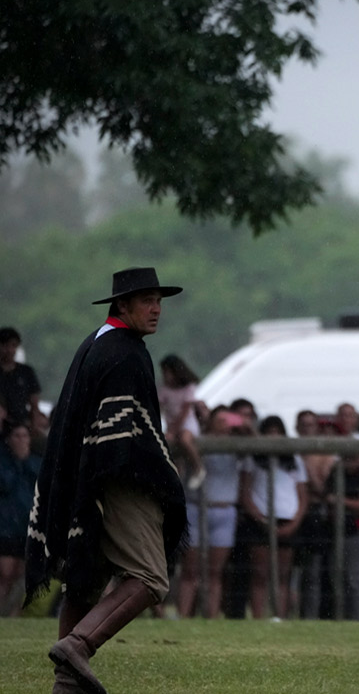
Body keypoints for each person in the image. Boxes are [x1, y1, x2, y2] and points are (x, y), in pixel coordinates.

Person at [23, 267, 187, 694]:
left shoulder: (96, 343)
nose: (155, 309)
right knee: (150, 578)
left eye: (159, 301)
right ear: (123, 305)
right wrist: (158, 477)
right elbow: (123, 434)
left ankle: (66, 682)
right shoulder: (126, 351)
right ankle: (77, 646)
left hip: (83, 478)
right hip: (115, 479)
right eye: (147, 301)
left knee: (86, 578)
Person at [175, 406, 245, 619]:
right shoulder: (197, 439)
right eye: (220, 419)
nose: (225, 423)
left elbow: (252, 432)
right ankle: (183, 616)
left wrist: (240, 422)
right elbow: (183, 435)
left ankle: (211, 616)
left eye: (228, 419)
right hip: (196, 507)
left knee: (215, 572)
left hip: (224, 510)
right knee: (190, 569)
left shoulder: (239, 442)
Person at [239, 415, 308, 619]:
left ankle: (280, 615)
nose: (273, 436)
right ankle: (259, 616)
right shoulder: (252, 459)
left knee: (283, 574)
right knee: (260, 573)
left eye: (277, 431)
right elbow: (245, 492)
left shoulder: (294, 459)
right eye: (269, 431)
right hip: (260, 518)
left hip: (287, 519)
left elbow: (303, 496)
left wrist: (294, 522)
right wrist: (259, 519)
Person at [293, 409, 337, 620]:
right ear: (296, 427)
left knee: (313, 571)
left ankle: (311, 617)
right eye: (303, 424)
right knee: (291, 572)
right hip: (290, 513)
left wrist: (307, 469)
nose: (307, 428)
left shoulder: (324, 453)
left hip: (315, 516)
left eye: (311, 424)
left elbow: (322, 489)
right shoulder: (289, 450)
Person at [324, 451, 359, 620]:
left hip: (358, 534)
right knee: (336, 578)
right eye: (347, 458)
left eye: (354, 458)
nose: (351, 462)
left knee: (356, 580)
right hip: (335, 533)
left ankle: (357, 621)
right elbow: (326, 498)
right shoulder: (335, 474)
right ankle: (340, 618)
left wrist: (340, 500)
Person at [0, 422, 42, 614]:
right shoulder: (4, 464)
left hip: (27, 527)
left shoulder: (36, 463)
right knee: (5, 574)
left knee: (21, 577)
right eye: (17, 436)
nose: (21, 440)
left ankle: (13, 614)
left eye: (25, 436)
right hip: (6, 527)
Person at [159, 353, 207, 489]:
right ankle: (176, 472)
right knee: (170, 446)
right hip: (171, 424)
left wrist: (174, 430)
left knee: (185, 440)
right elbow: (160, 407)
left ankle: (198, 467)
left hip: (186, 424)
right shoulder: (165, 390)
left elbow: (184, 412)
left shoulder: (188, 388)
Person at [0, 326, 42, 434]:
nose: (9, 350)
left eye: (13, 346)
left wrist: (34, 428)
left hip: (21, 425)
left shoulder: (26, 372)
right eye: (5, 345)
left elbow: (34, 403)